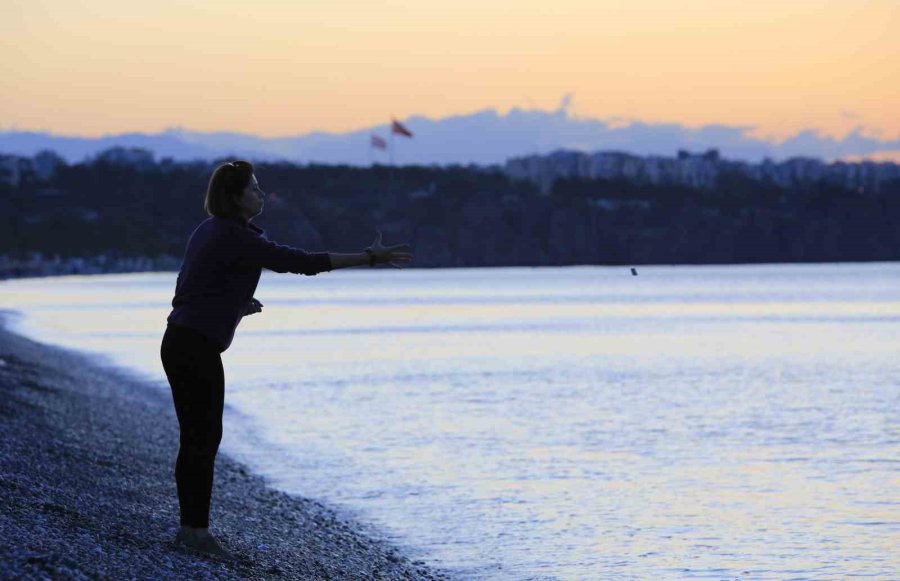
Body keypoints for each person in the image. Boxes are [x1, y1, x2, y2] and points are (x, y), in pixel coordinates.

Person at [159, 160, 413, 561]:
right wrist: (369, 258)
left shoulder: (212, 231)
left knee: (198, 439)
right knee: (202, 440)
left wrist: (236, 304)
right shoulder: (233, 236)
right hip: (194, 346)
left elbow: (188, 289)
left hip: (181, 341)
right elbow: (303, 262)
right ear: (235, 196)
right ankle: (196, 533)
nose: (260, 194)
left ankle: (190, 530)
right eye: (254, 188)